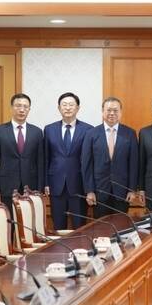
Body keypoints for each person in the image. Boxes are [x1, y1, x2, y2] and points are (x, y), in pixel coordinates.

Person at [0, 93, 44, 217]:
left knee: (28, 224)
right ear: (12, 107)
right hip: (6, 187)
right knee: (9, 223)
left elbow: (40, 162)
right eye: (18, 106)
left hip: (30, 188)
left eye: (25, 106)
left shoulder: (37, 132)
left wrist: (39, 189)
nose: (22, 109)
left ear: (29, 109)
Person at [82, 97, 138, 217]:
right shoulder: (91, 134)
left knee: (121, 225)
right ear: (103, 111)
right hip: (99, 191)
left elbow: (133, 164)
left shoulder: (130, 133)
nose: (112, 113)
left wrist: (132, 190)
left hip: (122, 192)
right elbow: (87, 165)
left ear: (120, 112)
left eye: (115, 110)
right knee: (101, 225)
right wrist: (89, 191)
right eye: (108, 110)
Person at [44, 92, 93, 229]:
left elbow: (90, 161)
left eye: (71, 105)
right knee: (58, 226)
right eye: (64, 105)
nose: (67, 108)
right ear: (59, 108)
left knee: (80, 227)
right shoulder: (49, 129)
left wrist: (90, 188)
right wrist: (46, 183)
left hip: (79, 185)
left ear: (78, 108)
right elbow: (46, 158)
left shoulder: (88, 130)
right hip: (56, 185)